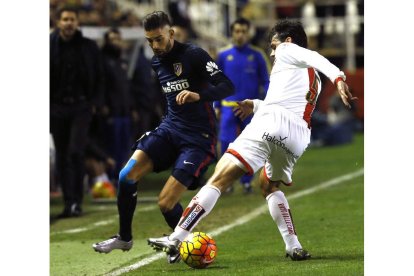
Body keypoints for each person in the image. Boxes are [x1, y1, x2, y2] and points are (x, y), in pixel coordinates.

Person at [148, 19, 357, 262]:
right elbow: (289, 101)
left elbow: (317, 58)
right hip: (298, 137)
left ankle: (176, 237)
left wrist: (339, 78)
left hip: (271, 123)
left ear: (287, 41)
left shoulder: (287, 50)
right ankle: (293, 245)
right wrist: (255, 104)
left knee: (218, 180)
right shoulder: (312, 78)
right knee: (269, 186)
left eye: (274, 44)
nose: (271, 51)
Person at [92, 11, 234, 259]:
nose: (154, 46)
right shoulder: (156, 62)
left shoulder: (194, 55)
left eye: (158, 39)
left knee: (166, 203)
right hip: (170, 128)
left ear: (171, 33)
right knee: (126, 176)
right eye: (149, 41)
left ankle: (183, 243)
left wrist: (199, 95)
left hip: (198, 137)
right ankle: (124, 238)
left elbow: (227, 86)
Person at [50, 6, 104, 218]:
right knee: (63, 155)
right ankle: (68, 202)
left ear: (77, 22)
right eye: (65, 19)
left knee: (75, 152)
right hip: (56, 108)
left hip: (81, 107)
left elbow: (100, 77)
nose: (69, 23)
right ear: (59, 22)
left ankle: (76, 201)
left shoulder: (89, 47)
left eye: (72, 19)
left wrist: (95, 104)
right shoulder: (48, 46)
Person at [215, 17, 270, 194]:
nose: (240, 35)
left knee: (251, 145)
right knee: (225, 144)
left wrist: (268, 104)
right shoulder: (223, 55)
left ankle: (247, 181)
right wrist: (216, 104)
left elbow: (266, 81)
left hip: (250, 109)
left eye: (243, 31)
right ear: (232, 33)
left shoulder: (257, 55)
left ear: (249, 33)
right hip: (228, 106)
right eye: (237, 31)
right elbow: (216, 81)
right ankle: (226, 181)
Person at [101, 28, 136, 178]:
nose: (116, 42)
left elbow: (126, 87)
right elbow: (101, 85)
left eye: (118, 39)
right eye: (113, 39)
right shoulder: (102, 61)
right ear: (107, 41)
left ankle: (121, 177)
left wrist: (131, 107)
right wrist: (103, 105)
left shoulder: (121, 61)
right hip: (111, 112)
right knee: (112, 147)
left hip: (124, 111)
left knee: (124, 147)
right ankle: (110, 177)